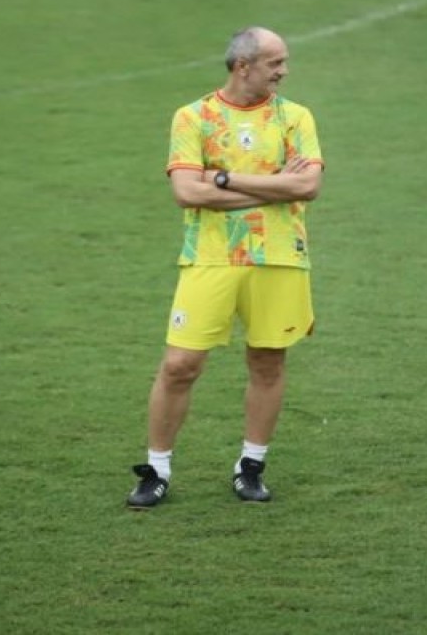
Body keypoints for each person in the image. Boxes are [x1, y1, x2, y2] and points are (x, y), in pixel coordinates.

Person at [126, 26, 325, 509]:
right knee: (180, 365)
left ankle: (251, 466)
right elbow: (186, 193)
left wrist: (221, 180)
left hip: (279, 255)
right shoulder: (193, 117)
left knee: (268, 361)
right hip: (210, 256)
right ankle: (157, 469)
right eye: (275, 62)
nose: (284, 71)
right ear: (243, 67)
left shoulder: (295, 117)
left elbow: (307, 187)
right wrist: (272, 185)